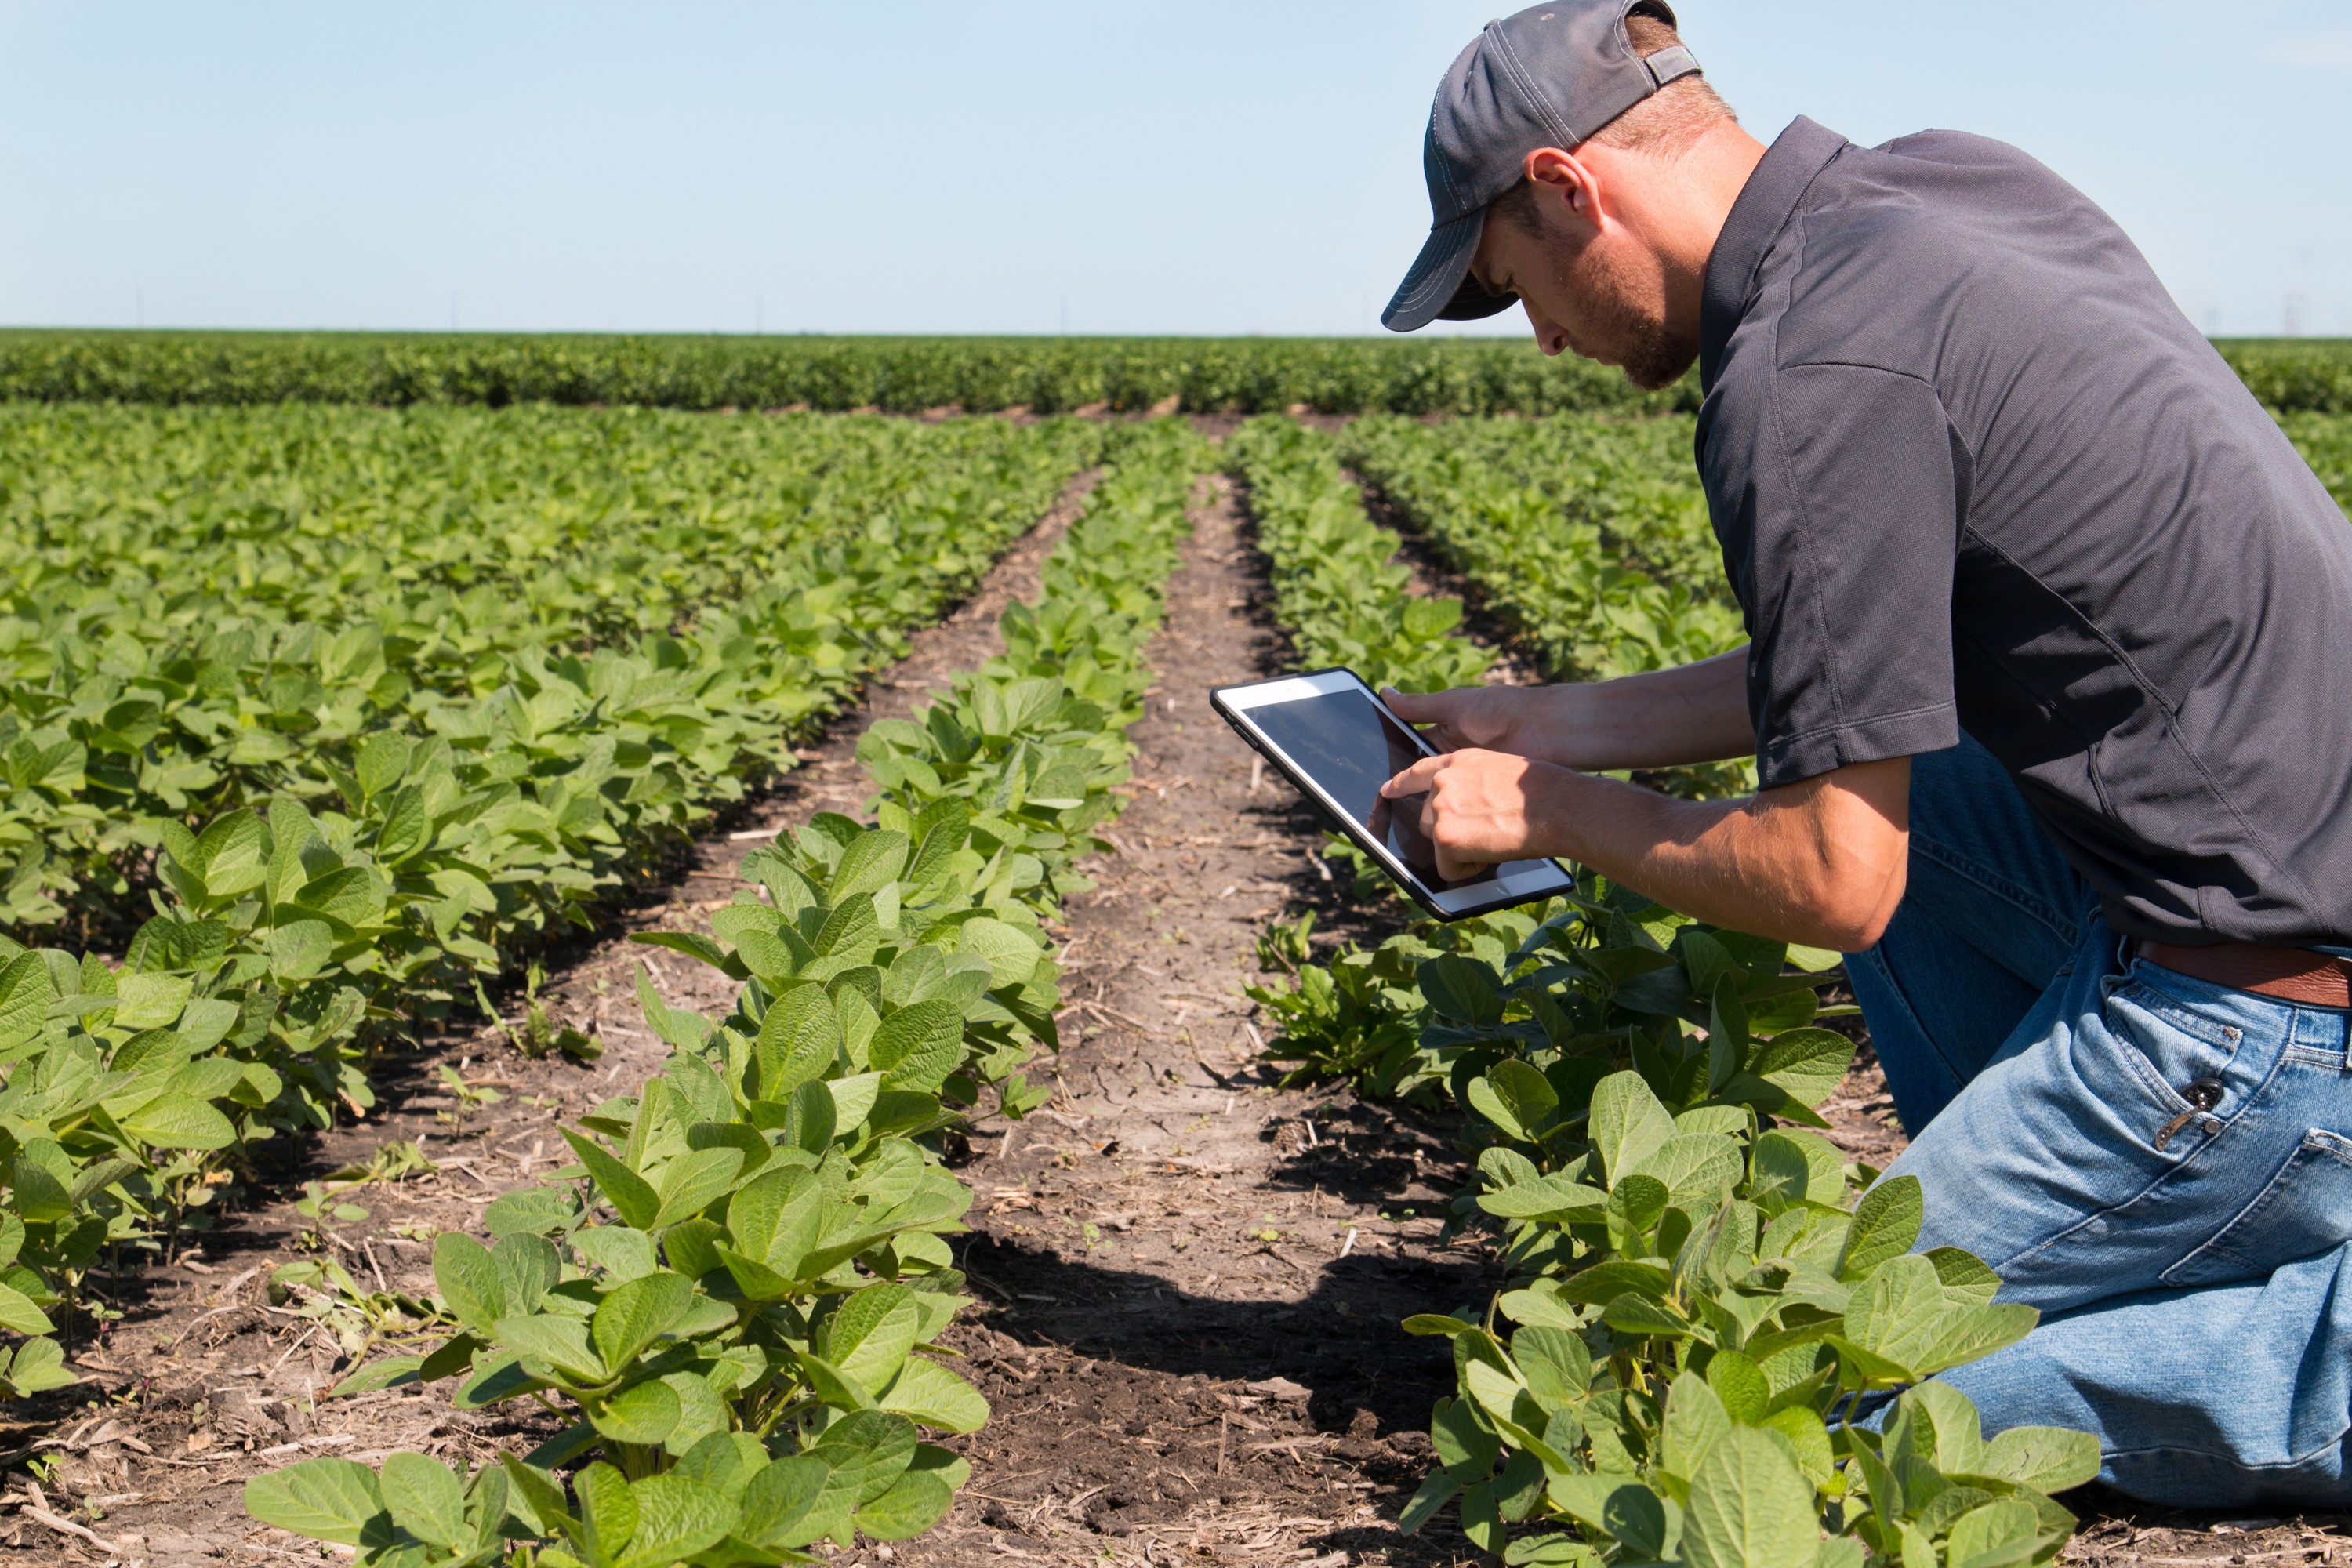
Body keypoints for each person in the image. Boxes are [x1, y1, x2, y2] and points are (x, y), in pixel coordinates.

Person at [1372, 0, 2352, 1507]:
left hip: (2263, 1029)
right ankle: (2114, 1235)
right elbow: (1875, 676)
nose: (1550, 337)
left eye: (1519, 289)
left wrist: (1550, 807)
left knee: (1772, 1394)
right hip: (2277, 909)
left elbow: (1836, 883)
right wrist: (1561, 719)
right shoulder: (1955, 187)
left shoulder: (1803, 376)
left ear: (1568, 187)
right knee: (1919, 772)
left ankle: (2298, 1345)